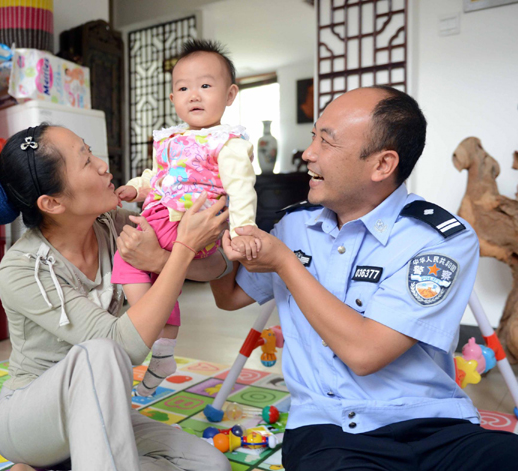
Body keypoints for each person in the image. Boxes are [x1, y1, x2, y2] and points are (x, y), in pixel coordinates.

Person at [210, 86, 518, 470]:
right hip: (330, 429)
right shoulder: (293, 225)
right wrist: (210, 238)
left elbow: (365, 352)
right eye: (313, 136)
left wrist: (286, 264)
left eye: (327, 140)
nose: (309, 153)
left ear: (382, 165)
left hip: (435, 424)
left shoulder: (440, 239)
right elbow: (230, 295)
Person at [0, 123, 232, 471]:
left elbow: (217, 268)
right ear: (52, 202)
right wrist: (184, 249)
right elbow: (122, 345)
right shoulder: (22, 268)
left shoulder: (115, 226)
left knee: (209, 465)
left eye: (90, 150)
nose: (102, 165)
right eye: (85, 161)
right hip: (30, 420)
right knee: (99, 352)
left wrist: (163, 258)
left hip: (99, 408)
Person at [114, 39, 259, 397]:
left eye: (206, 86)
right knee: (162, 282)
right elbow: (158, 177)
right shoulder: (171, 138)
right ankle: (163, 350)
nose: (194, 95)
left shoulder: (227, 142)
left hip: (188, 222)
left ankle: (144, 335)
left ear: (230, 94)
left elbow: (241, 188)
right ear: (172, 99)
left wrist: (244, 228)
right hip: (163, 214)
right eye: (183, 88)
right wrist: (136, 188)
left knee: (127, 259)